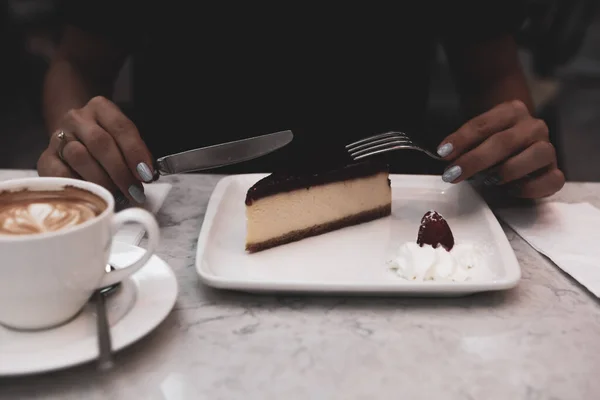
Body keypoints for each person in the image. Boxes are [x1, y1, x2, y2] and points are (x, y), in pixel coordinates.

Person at [36, 1, 565, 204]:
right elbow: (78, 64)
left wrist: (504, 150)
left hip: (385, 209)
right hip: (173, 210)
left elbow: (493, 72)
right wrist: (77, 137)